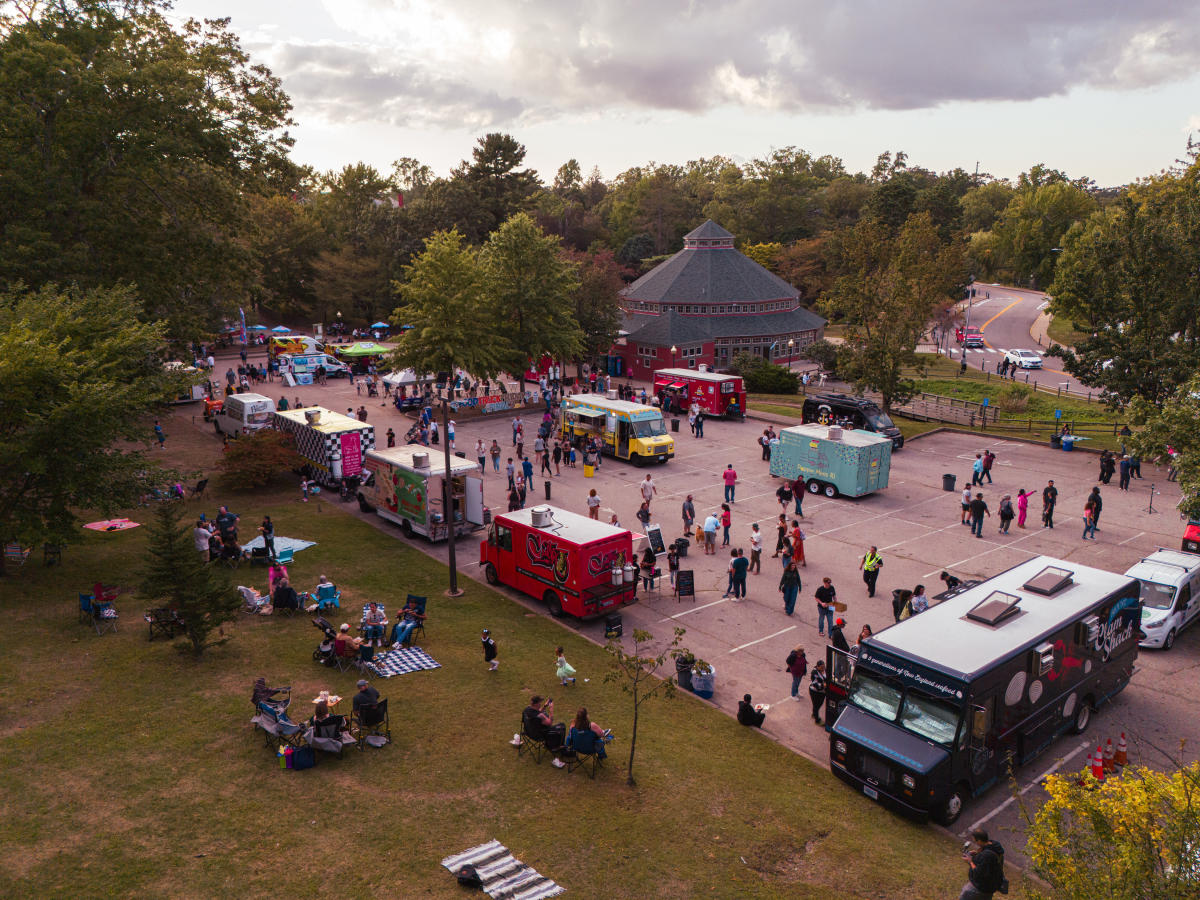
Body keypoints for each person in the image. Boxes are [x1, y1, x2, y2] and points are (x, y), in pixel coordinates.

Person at [959, 829, 1006, 900]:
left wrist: (970, 861)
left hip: (981, 887)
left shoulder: (986, 856)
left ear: (979, 841)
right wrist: (978, 853)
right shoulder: (995, 845)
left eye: (975, 841)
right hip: (991, 886)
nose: (975, 843)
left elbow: (978, 872)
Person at [522, 695, 567, 767]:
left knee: (544, 714)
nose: (541, 703)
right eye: (540, 702)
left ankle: (553, 744)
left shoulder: (527, 709)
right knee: (562, 726)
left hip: (528, 732)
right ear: (536, 704)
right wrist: (551, 710)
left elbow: (536, 712)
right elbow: (550, 723)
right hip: (539, 736)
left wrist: (545, 706)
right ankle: (557, 747)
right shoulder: (540, 716)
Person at [809, 660, 827, 725]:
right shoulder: (814, 673)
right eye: (822, 667)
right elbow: (815, 684)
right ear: (818, 667)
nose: (823, 668)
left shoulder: (826, 670)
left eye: (824, 666)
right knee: (816, 705)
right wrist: (823, 685)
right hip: (814, 691)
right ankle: (817, 720)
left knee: (820, 704)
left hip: (823, 691)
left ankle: (814, 713)